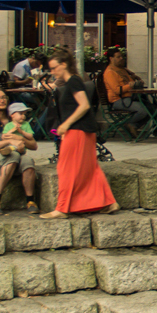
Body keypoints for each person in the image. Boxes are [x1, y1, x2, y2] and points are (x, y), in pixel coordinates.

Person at [39, 54, 114, 218]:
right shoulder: (74, 81)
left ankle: (61, 208)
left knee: (65, 168)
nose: (52, 72)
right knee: (90, 168)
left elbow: (84, 105)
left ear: (64, 64)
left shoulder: (73, 81)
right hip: (84, 130)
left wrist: (65, 125)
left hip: (77, 130)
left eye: (54, 68)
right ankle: (109, 202)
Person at [0, 90, 40, 212]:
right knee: (12, 156)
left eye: (4, 97)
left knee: (28, 161)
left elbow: (34, 146)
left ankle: (30, 200)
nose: (2, 100)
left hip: (18, 155)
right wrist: (9, 141)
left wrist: (20, 138)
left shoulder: (16, 119)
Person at [100, 49, 149, 130]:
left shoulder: (122, 69)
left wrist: (135, 79)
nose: (121, 58)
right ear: (111, 58)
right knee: (143, 110)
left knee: (152, 109)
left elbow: (130, 81)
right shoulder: (110, 72)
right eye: (118, 57)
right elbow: (116, 90)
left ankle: (133, 126)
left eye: (122, 56)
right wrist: (130, 85)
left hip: (129, 98)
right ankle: (128, 124)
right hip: (118, 100)